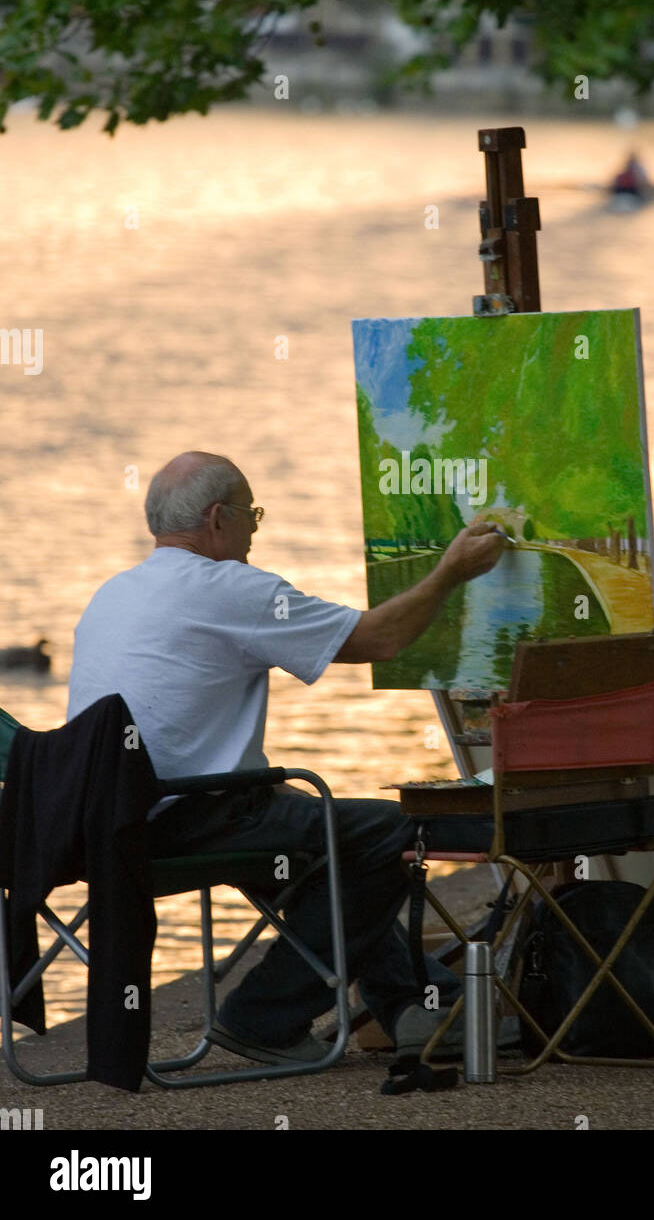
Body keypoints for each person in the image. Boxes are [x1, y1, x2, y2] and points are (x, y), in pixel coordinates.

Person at [67, 450, 506, 1065]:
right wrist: (450, 572)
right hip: (187, 820)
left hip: (98, 827)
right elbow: (378, 638)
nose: (256, 529)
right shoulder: (233, 589)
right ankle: (262, 1020)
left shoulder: (112, 594)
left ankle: (421, 1002)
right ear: (219, 518)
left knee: (316, 836)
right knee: (387, 833)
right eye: (253, 513)